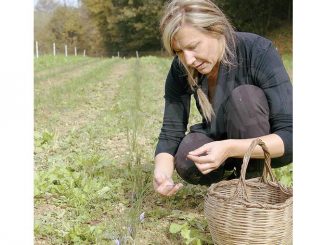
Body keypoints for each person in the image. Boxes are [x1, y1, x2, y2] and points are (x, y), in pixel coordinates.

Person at [153, 0, 292, 196]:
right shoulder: (182, 67)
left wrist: (230, 148)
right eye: (179, 51)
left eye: (193, 46)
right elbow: (171, 132)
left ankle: (253, 181)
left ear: (216, 30)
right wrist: (162, 173)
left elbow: (292, 135)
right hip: (219, 138)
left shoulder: (258, 51)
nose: (188, 59)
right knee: (186, 158)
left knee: (245, 98)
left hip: (264, 144)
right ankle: (230, 176)